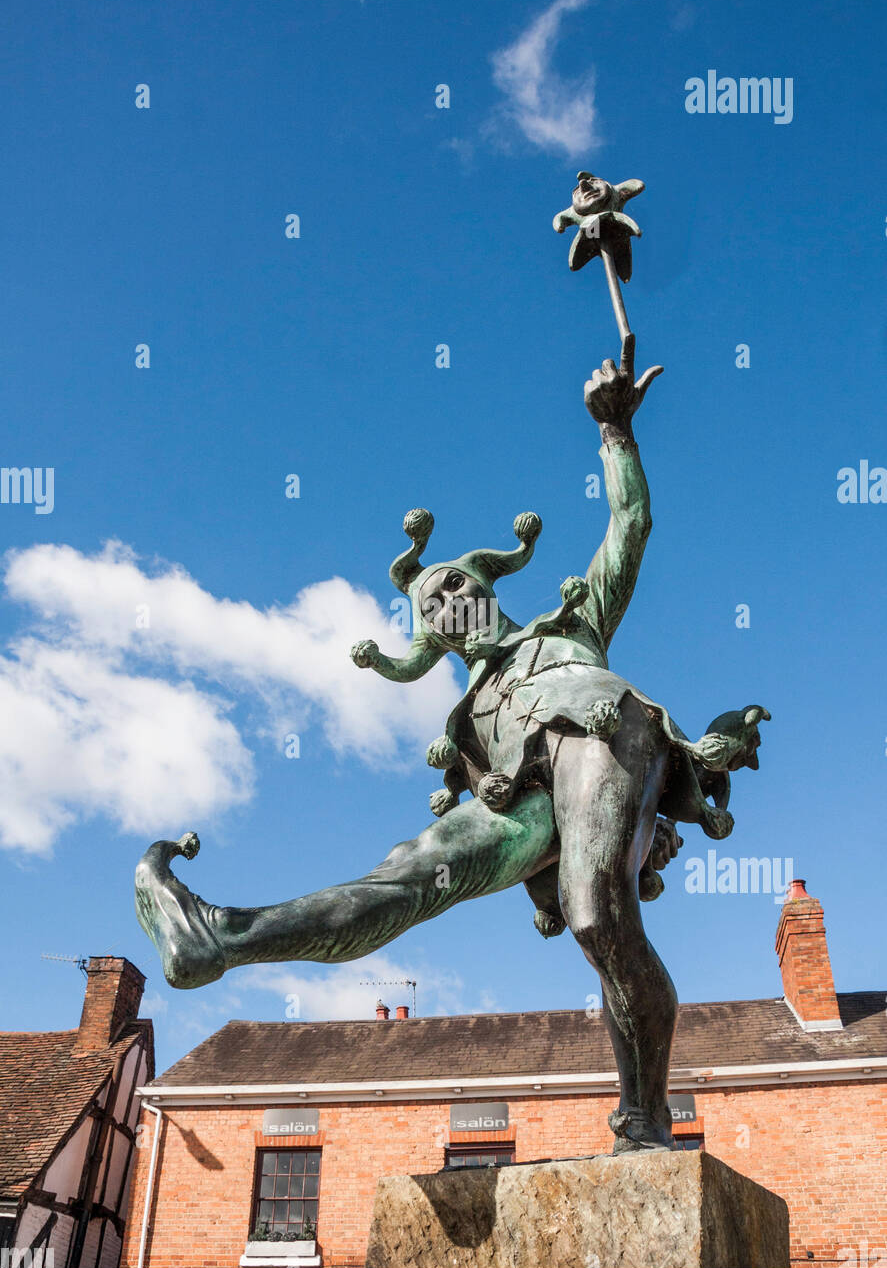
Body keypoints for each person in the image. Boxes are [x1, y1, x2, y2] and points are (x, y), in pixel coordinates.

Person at [136, 334, 767, 1153]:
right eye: (428, 601)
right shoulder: (468, 724)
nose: (442, 595)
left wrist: (615, 434)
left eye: (453, 580)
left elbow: (631, 523)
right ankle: (220, 935)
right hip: (517, 794)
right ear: (431, 636)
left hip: (600, 734)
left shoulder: (571, 623)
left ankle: (642, 1120)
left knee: (595, 915)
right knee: (404, 880)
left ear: (486, 584)